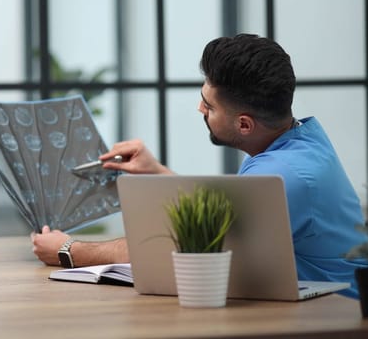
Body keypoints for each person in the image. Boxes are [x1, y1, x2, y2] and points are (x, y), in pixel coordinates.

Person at [31, 33, 368, 299]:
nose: (200, 108)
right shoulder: (304, 139)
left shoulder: (280, 176)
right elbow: (222, 217)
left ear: (245, 125)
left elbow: (183, 248)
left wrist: (69, 250)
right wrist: (156, 172)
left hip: (331, 318)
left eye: (209, 105)